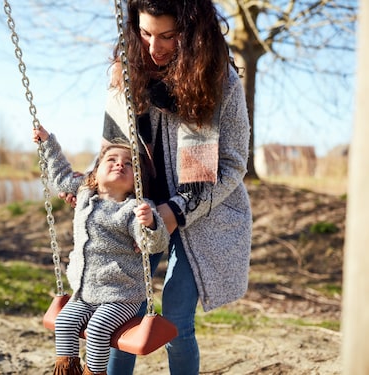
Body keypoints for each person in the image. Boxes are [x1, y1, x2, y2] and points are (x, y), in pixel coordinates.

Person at [100, 0, 253, 374]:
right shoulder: (126, 76)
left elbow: (233, 165)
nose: (155, 48)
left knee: (177, 319)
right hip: (142, 210)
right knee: (123, 309)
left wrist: (176, 211)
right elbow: (112, 149)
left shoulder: (219, 81)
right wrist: (95, 188)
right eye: (146, 33)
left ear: (193, 32)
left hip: (205, 216)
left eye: (168, 36)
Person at [32, 125, 170, 375]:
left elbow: (154, 244)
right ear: (95, 171)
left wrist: (150, 223)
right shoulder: (84, 193)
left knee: (97, 329)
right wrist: (47, 143)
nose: (120, 165)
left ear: (137, 181)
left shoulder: (135, 208)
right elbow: (62, 176)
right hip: (85, 293)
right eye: (112, 159)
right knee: (64, 322)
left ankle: (94, 373)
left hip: (121, 294)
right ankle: (67, 369)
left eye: (129, 164)